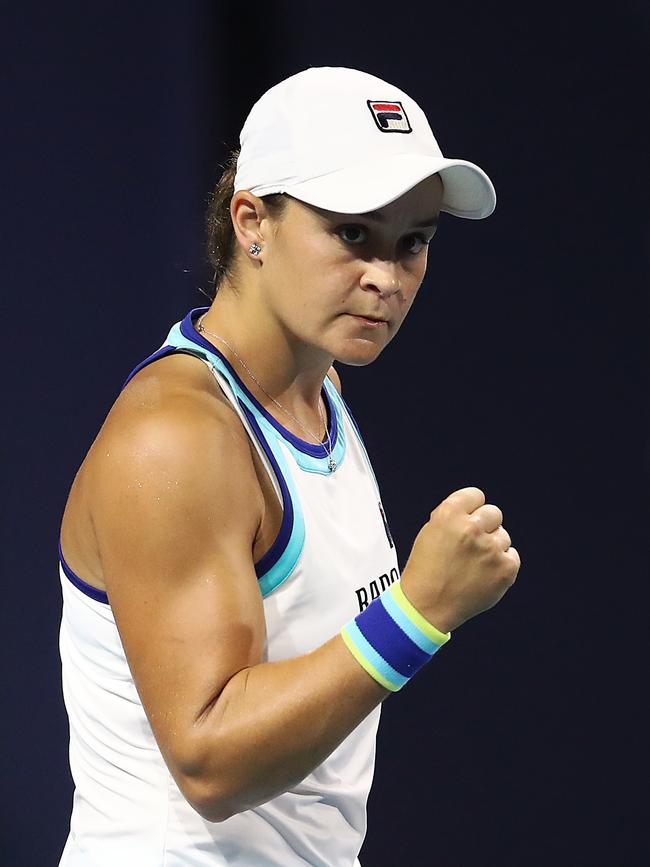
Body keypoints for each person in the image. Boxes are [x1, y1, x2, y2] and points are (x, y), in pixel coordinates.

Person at [57, 66, 520, 866]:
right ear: (251, 221)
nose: (387, 277)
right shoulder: (177, 437)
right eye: (352, 234)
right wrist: (419, 610)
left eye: (413, 243)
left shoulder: (320, 391)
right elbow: (209, 757)